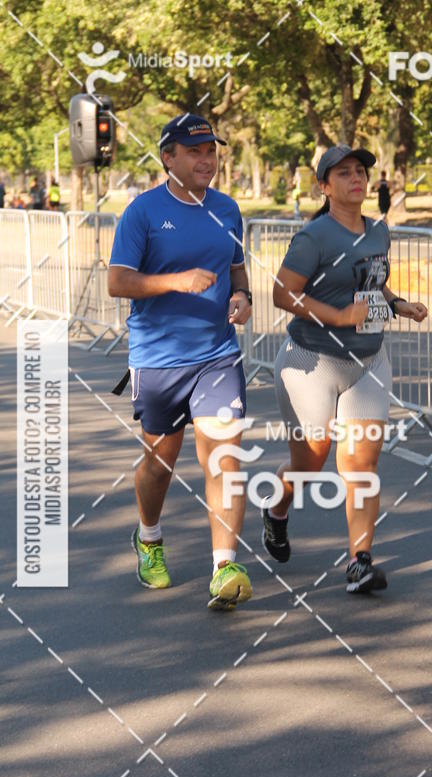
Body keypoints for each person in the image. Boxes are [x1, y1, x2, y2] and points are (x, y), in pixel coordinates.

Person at [263, 144, 427, 593]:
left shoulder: (378, 231)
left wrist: (399, 303)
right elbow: (282, 294)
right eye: (343, 173)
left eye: (360, 171)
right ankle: (277, 510)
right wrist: (337, 318)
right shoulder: (314, 237)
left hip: (368, 361)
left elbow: (374, 281)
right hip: (310, 360)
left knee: (360, 464)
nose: (356, 178)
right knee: (309, 460)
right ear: (324, 187)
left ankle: (359, 561)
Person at [108, 114, 253, 610]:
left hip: (217, 355)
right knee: (159, 464)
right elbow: (119, 281)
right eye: (194, 152)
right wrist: (175, 281)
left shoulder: (228, 209)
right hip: (159, 357)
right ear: (167, 157)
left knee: (224, 456)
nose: (206, 160)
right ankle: (149, 539)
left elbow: (236, 268)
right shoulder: (142, 212)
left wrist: (242, 295)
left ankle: (225, 565)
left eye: (211, 150)